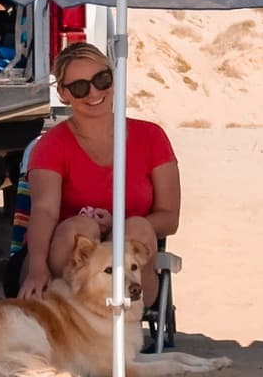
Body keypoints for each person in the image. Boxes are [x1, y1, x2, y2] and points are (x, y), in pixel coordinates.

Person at [12, 42, 180, 302]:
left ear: (113, 77)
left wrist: (115, 227)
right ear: (63, 93)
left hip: (128, 262)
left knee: (136, 228)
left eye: (101, 79)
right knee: (81, 229)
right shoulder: (51, 145)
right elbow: (44, 210)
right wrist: (36, 268)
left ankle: (122, 313)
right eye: (79, 87)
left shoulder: (151, 138)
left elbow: (169, 218)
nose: (93, 92)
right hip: (59, 261)